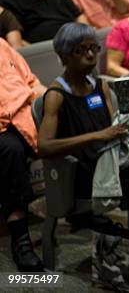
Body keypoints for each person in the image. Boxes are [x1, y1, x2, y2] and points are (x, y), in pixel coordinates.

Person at [38, 22, 129, 261]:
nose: (90, 55)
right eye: (81, 50)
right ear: (65, 55)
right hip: (82, 170)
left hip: (108, 158)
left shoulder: (99, 85)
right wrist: (97, 136)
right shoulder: (56, 95)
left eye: (93, 48)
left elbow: (113, 127)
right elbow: (45, 146)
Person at [0, 37, 46, 272]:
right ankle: (20, 237)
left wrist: (47, 95)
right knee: (11, 150)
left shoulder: (2, 45)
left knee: (67, 119)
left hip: (22, 115)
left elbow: (29, 80)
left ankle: (84, 205)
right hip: (4, 127)